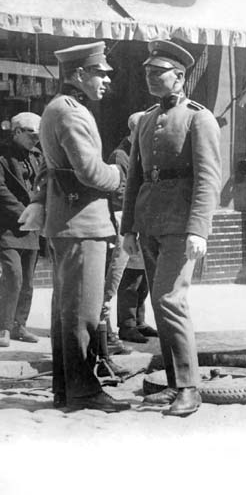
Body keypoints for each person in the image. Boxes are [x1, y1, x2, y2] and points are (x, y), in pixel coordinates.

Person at [27, 41, 130, 412]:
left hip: (68, 222)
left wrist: (41, 202)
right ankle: (84, 392)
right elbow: (89, 172)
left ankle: (65, 389)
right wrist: (122, 175)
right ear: (79, 74)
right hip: (82, 223)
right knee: (83, 314)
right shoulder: (71, 113)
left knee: (66, 313)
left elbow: (47, 168)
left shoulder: (58, 108)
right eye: (100, 73)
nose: (106, 80)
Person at [121, 39, 221, 417]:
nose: (149, 76)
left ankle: (189, 388)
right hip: (149, 223)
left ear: (179, 77)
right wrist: (129, 228)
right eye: (147, 71)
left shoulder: (199, 117)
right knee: (161, 307)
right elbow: (134, 178)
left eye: (157, 71)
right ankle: (173, 381)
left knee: (169, 300)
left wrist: (200, 229)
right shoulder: (146, 119)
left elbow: (209, 177)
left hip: (181, 225)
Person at [103, 111, 155, 345]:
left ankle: (139, 320)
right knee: (129, 275)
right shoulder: (121, 155)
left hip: (143, 218)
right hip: (128, 219)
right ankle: (127, 324)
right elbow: (120, 192)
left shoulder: (141, 152)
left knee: (143, 274)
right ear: (135, 130)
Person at [0, 112, 44, 347]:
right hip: (7, 227)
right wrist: (25, 214)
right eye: (32, 135)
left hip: (32, 228)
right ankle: (3, 327)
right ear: (17, 132)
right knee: (13, 276)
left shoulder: (37, 155)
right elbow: (1, 191)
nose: (36, 140)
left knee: (27, 280)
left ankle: (19, 325)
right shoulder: (2, 156)